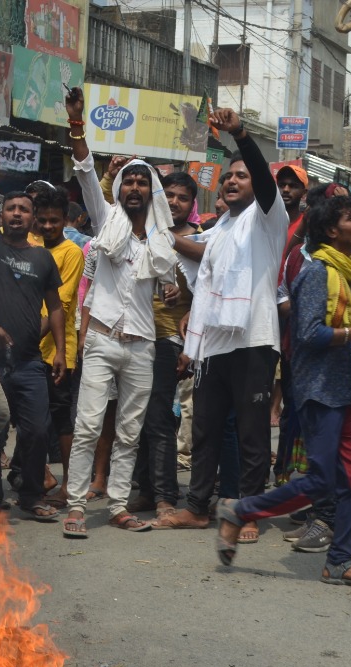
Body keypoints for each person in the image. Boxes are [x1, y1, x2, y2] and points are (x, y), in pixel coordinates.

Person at [216, 194, 351, 589]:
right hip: (317, 389)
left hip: (343, 389)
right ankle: (241, 509)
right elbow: (308, 333)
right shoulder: (317, 272)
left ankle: (339, 562)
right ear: (333, 231)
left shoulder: (348, 270)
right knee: (321, 480)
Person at [59, 86, 184, 537]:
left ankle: (117, 505)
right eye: (128, 181)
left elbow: (170, 284)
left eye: (141, 182)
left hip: (142, 346)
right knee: (89, 425)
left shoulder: (161, 241)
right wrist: (77, 123)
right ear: (120, 188)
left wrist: (171, 292)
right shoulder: (104, 216)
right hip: (103, 339)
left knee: (130, 432)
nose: (134, 188)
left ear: (151, 192)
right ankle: (75, 507)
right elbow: (86, 170)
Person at [165, 108, 287, 538]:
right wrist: (152, 227)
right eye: (227, 177)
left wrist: (240, 136)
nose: (233, 180)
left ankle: (249, 512)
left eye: (242, 175)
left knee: (253, 434)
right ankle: (198, 506)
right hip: (215, 342)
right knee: (205, 428)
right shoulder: (219, 229)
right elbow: (196, 253)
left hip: (254, 339)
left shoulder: (269, 218)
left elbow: (262, 174)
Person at [0, 191, 66, 519]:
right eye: (10, 208)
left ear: (33, 219)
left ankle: (32, 495)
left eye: (23, 210)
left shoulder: (43, 258)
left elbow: (55, 307)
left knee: (38, 430)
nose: (15, 214)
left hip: (29, 361)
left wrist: (61, 352)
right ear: (1, 216)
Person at [132, 171, 200, 524]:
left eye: (182, 198)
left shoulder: (197, 241)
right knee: (138, 417)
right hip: (135, 335)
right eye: (169, 195)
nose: (174, 202)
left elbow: (207, 291)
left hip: (168, 338)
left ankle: (165, 496)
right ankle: (145, 489)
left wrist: (184, 301)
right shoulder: (143, 231)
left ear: (192, 204)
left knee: (159, 416)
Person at [31, 187, 83, 503]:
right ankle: (43, 476)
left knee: (61, 419)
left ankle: (68, 485)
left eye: (54, 221)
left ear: (65, 220)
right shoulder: (29, 244)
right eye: (43, 220)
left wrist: (24, 339)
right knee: (30, 415)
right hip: (27, 345)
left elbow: (60, 303)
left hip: (56, 348)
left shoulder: (71, 253)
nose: (48, 226)